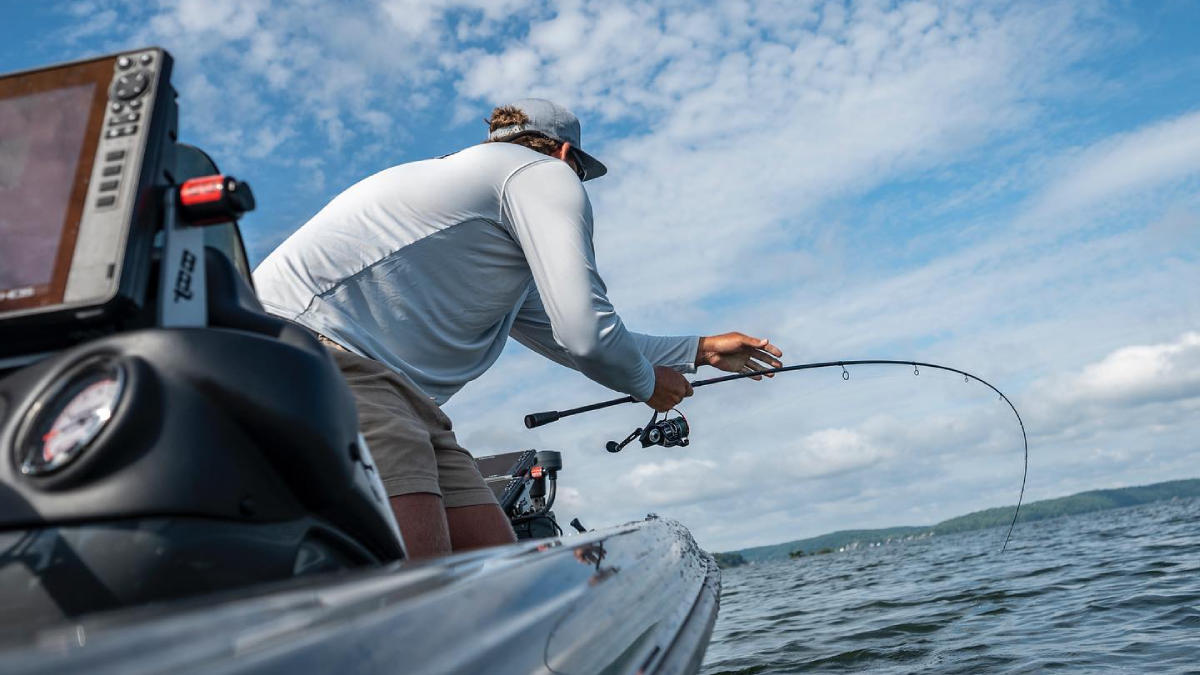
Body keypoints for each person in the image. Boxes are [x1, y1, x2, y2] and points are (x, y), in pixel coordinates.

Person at [253, 99, 783, 558]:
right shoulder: (538, 173)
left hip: (389, 393)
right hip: (328, 364)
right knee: (423, 599)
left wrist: (702, 349)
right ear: (563, 154)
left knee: (496, 571)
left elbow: (568, 338)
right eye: (578, 172)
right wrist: (646, 385)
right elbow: (588, 337)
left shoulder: (476, 200)